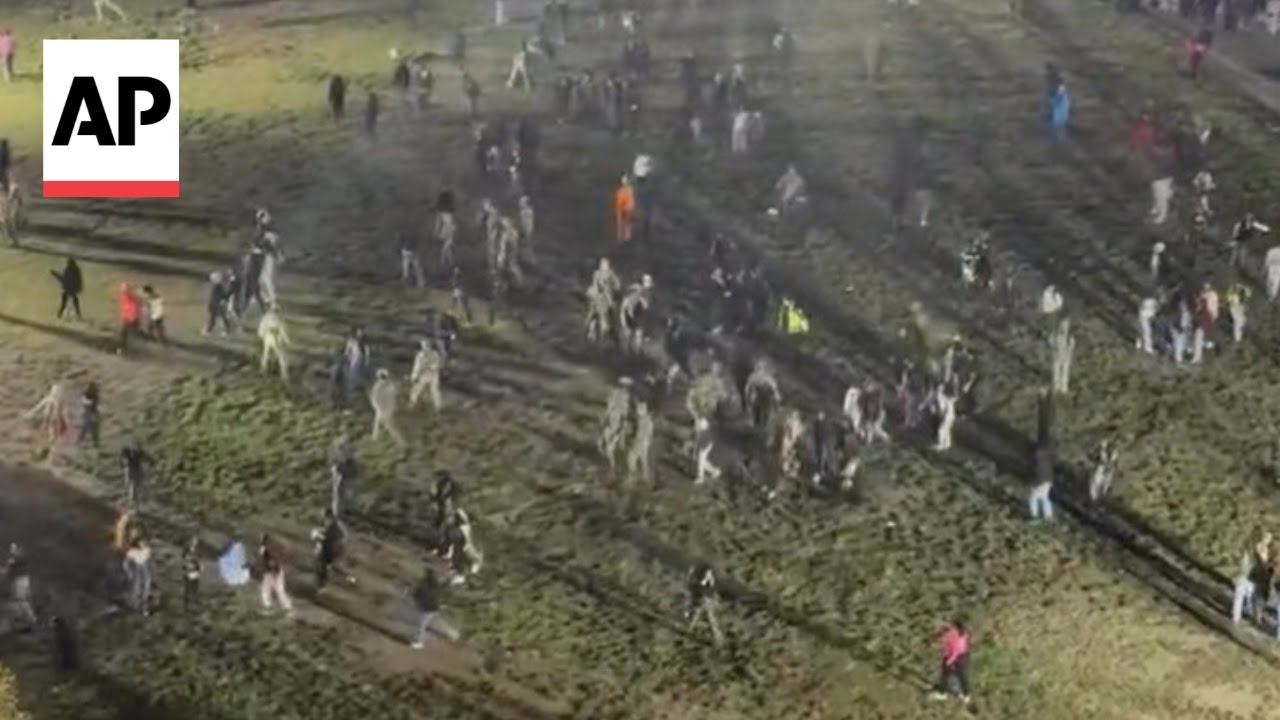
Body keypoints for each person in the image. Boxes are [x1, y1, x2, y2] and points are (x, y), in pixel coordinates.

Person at [410, 566, 460, 648]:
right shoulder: (433, 585)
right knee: (429, 623)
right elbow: (443, 588)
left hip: (427, 608)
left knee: (422, 625)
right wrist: (450, 580)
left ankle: (419, 642)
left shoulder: (425, 585)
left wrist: (416, 599)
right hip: (432, 608)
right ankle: (453, 635)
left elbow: (417, 594)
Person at [931, 619, 971, 703]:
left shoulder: (953, 635)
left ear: (955, 627)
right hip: (963, 656)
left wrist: (949, 661)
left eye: (951, 626)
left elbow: (954, 650)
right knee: (962, 676)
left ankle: (943, 693)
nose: (950, 627)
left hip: (954, 656)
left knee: (946, 675)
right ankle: (966, 695)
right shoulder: (963, 633)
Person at [312, 509, 354, 590]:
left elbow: (327, 537)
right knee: (328, 566)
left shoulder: (333, 525)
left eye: (324, 516)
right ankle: (350, 579)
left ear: (328, 516)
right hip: (335, 549)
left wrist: (317, 535)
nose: (323, 518)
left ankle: (350, 579)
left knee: (326, 566)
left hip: (332, 549)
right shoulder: (334, 524)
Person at [684, 564, 723, 645]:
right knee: (705, 617)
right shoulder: (704, 581)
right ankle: (691, 628)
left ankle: (718, 637)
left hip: (706, 600)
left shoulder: (708, 581)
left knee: (709, 618)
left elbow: (708, 588)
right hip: (704, 600)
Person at [257, 534, 294, 617]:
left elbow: (274, 565)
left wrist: (274, 574)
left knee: (279, 591)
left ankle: (287, 608)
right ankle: (269, 607)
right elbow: (262, 551)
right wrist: (263, 541)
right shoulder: (266, 553)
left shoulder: (270, 555)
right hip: (269, 573)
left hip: (276, 574)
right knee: (265, 590)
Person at [257, 305, 291, 381]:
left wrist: (261, 336)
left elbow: (261, 328)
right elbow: (282, 330)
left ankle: (263, 369)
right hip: (275, 338)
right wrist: (287, 340)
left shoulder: (265, 317)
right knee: (281, 355)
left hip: (267, 337)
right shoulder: (278, 318)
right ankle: (284, 373)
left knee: (265, 353)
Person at [122, 536, 152, 615]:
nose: (142, 544)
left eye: (143, 542)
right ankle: (136, 606)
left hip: (145, 570)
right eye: (140, 542)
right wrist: (129, 572)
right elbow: (125, 563)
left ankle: (144, 608)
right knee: (137, 589)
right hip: (136, 570)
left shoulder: (147, 550)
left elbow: (148, 561)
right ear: (137, 543)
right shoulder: (132, 552)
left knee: (146, 589)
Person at [120, 442, 151, 508]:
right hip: (134, 470)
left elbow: (123, 463)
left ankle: (133, 502)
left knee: (133, 486)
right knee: (134, 486)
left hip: (133, 470)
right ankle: (134, 502)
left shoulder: (129, 455)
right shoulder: (132, 455)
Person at [116, 282, 142, 353]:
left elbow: (135, 306)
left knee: (126, 333)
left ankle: (123, 348)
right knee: (124, 333)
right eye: (122, 289)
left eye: (124, 289)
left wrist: (133, 316)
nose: (123, 291)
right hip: (127, 317)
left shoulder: (132, 297)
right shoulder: (123, 296)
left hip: (131, 317)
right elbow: (123, 306)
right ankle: (122, 347)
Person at [613, 173, 635, 245]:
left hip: (626, 208)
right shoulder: (623, 190)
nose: (624, 181)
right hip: (623, 208)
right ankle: (623, 238)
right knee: (623, 223)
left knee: (625, 223)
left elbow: (630, 200)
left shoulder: (628, 190)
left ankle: (625, 238)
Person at [77, 382, 100, 447]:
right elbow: (85, 403)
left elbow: (94, 404)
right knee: (85, 427)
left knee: (93, 428)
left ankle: (95, 441)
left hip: (92, 413)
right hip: (87, 413)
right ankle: (80, 440)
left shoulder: (95, 396)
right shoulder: (86, 395)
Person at [181, 535, 201, 610]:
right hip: (188, 571)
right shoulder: (187, 549)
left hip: (195, 571)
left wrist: (199, 566)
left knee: (195, 587)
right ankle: (186, 604)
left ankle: (195, 602)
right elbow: (185, 559)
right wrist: (190, 562)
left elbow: (198, 559)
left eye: (196, 541)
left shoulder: (197, 550)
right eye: (194, 541)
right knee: (188, 587)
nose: (195, 542)